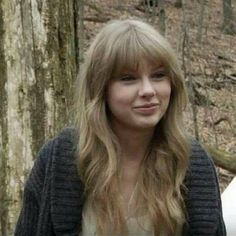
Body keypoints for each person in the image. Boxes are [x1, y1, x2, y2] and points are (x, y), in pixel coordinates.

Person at [15, 19, 226, 236]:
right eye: (128, 78)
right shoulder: (61, 159)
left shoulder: (192, 162)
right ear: (101, 89)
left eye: (158, 75)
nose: (148, 90)